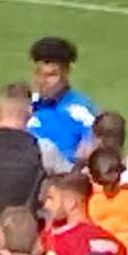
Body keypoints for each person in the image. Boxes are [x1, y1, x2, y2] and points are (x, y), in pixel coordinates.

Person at [28, 37, 97, 166]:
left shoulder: (81, 111)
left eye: (51, 75)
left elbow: (91, 155)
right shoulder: (26, 104)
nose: (43, 81)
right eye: (39, 73)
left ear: (67, 72)